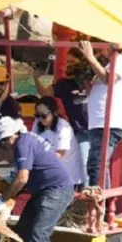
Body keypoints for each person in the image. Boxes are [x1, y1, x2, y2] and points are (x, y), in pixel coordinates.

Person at [0, 117, 74, 242]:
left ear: (14, 135)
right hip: (44, 190)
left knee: (40, 231)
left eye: (5, 140)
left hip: (56, 190)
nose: (5, 144)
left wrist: (2, 200)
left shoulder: (22, 144)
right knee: (23, 227)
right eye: (1, 142)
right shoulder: (26, 139)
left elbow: (21, 179)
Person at [33, 47, 92, 186]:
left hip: (96, 128)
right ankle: (85, 193)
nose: (69, 64)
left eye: (73, 61)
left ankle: (92, 194)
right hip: (79, 130)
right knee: (83, 162)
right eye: (67, 62)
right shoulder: (63, 84)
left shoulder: (89, 80)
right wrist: (36, 78)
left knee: (97, 164)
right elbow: (45, 94)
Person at [79, 40, 122, 188]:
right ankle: (104, 201)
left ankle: (99, 202)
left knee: (97, 164)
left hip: (109, 122)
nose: (96, 51)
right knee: (97, 164)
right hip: (99, 123)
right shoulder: (108, 66)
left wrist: (90, 57)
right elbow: (98, 89)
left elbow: (108, 79)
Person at [31, 96, 85, 189]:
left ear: (55, 113)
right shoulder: (38, 123)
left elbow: (60, 153)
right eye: (37, 115)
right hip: (49, 175)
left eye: (44, 116)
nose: (40, 119)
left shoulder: (63, 126)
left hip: (68, 177)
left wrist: (38, 164)